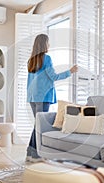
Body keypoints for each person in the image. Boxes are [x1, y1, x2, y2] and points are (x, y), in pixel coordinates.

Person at [26, 33, 78, 162]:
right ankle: (35, 155)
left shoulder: (31, 60)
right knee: (39, 125)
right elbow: (53, 77)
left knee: (37, 124)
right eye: (48, 43)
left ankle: (30, 152)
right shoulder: (46, 58)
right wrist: (70, 71)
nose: (49, 45)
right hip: (43, 96)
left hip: (33, 97)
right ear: (44, 44)